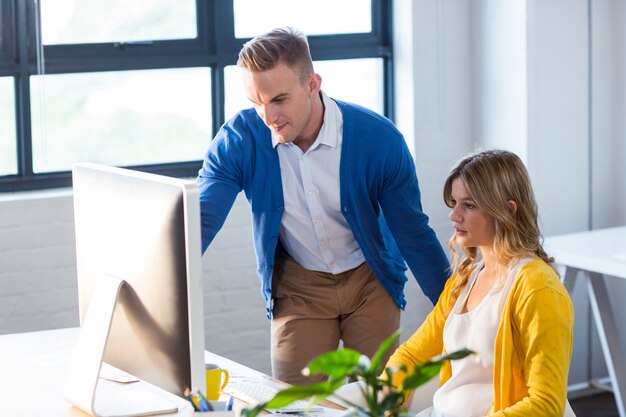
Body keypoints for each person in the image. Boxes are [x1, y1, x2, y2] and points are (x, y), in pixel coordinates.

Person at [196, 27, 450, 384]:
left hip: (370, 280)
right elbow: (201, 219)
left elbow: (411, 231)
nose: (268, 116)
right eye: (257, 102)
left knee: (376, 399)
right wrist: (161, 276)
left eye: (279, 100)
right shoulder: (240, 139)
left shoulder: (378, 139)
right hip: (298, 285)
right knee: (295, 402)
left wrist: (458, 306)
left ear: (313, 84)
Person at [385, 150, 575, 416]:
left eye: (469, 205)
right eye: (454, 203)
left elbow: (546, 403)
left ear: (508, 210)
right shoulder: (464, 281)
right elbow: (411, 355)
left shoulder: (538, 288)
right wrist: (385, 400)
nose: (454, 216)